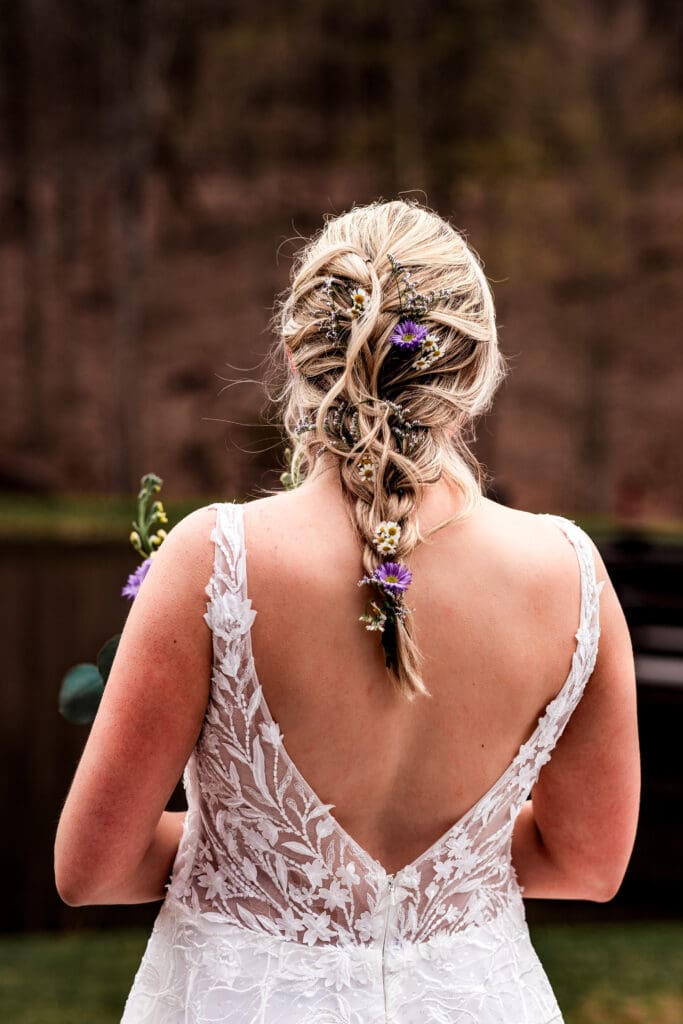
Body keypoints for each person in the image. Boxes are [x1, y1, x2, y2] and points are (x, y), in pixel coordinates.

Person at [54, 199, 640, 1023]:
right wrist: (437, 877)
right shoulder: (571, 577)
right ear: (476, 370)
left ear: (297, 352)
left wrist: (264, 860)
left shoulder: (213, 560)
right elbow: (587, 865)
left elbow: (93, 870)